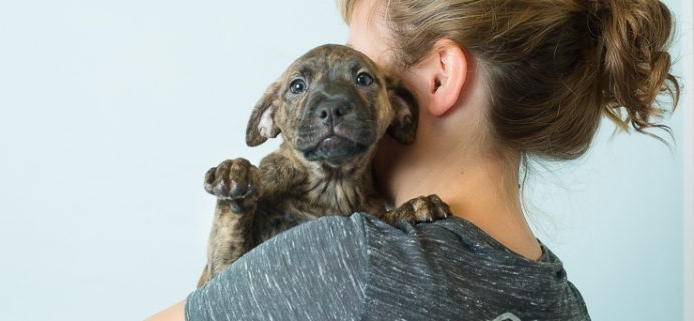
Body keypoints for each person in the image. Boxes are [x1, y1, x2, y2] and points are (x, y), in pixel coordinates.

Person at [147, 0, 679, 319]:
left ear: (439, 79)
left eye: (363, 70)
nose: (332, 107)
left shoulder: (349, 259)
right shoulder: (563, 301)